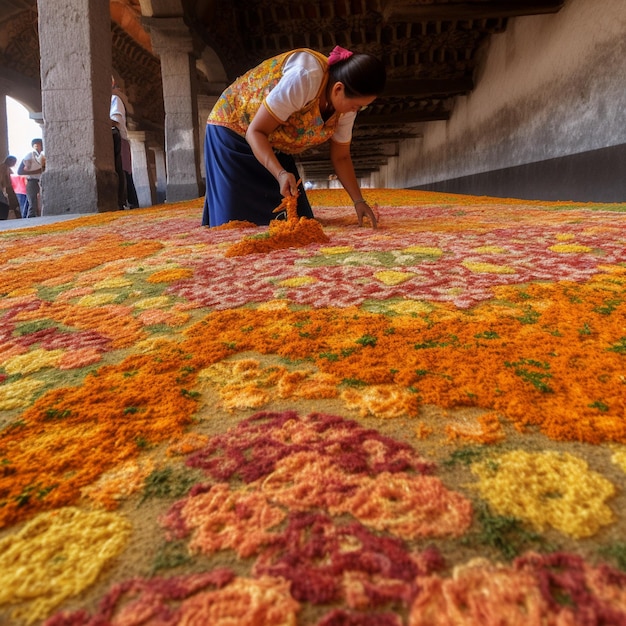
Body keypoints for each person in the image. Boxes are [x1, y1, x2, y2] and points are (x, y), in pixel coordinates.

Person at [202, 45, 386, 228]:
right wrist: (280, 173)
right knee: (236, 225)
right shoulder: (305, 77)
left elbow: (341, 156)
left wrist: (358, 201)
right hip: (234, 135)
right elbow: (255, 132)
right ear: (338, 89)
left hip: (274, 144)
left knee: (298, 223)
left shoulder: (345, 108)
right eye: (356, 105)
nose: (357, 110)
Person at [110, 77, 138, 209]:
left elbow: (115, 120)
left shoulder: (114, 99)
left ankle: (127, 201)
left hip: (118, 137)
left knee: (123, 171)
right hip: (111, 138)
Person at [17, 138, 44, 218]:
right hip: (32, 181)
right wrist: (37, 171)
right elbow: (20, 171)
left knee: (39, 203)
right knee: (33, 203)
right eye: (40, 144)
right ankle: (31, 220)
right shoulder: (29, 155)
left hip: (40, 181)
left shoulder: (41, 156)